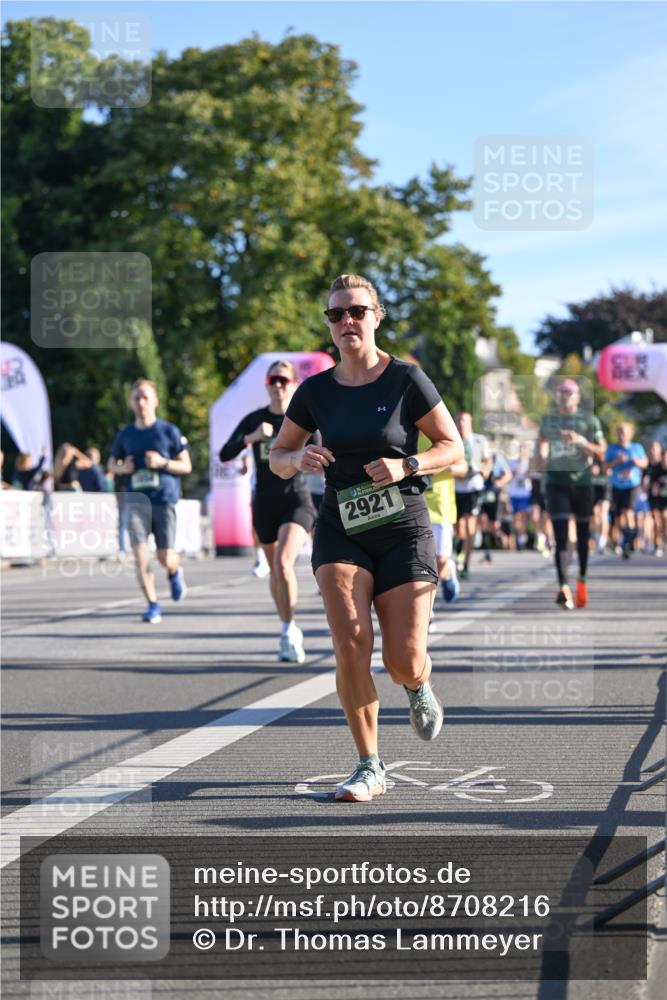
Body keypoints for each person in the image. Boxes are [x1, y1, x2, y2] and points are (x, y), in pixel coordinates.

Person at [269, 274, 463, 802]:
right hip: (341, 528)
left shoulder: (406, 379)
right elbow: (278, 456)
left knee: (402, 658)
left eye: (356, 311)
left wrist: (408, 465)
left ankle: (418, 684)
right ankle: (369, 764)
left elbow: (453, 448)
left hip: (402, 528)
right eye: (336, 315)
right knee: (351, 642)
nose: (346, 322)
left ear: (377, 316)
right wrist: (296, 458)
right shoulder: (315, 391)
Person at [219, 361, 317, 663]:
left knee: (284, 564)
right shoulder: (256, 419)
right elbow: (225, 453)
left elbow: (325, 449)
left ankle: (289, 633)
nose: (278, 385)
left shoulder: (303, 417)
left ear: (294, 384)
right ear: (266, 384)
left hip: (296, 499)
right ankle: (287, 625)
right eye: (273, 379)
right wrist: (251, 438)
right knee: (275, 571)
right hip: (264, 502)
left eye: (284, 380)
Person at [108, 379, 191, 623]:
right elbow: (111, 464)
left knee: (165, 556)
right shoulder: (125, 435)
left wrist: (163, 463)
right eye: (136, 398)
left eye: (145, 397)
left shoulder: (168, 431)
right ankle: (153, 605)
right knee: (140, 555)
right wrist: (123, 468)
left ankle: (175, 571)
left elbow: (186, 465)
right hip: (136, 501)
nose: (141, 402)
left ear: (155, 400)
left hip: (164, 499)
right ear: (131, 403)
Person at [538, 378, 606, 610]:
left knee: (584, 535)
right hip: (556, 482)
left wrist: (580, 441)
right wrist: (541, 456)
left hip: (582, 483)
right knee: (560, 535)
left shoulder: (589, 420)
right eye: (562, 393)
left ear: (577, 397)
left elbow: (601, 452)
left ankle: (582, 579)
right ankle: (563, 587)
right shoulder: (548, 420)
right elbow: (542, 442)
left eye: (569, 393)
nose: (565, 397)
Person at [453, 412, 491, 578]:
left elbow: (488, 460)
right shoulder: (452, 440)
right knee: (458, 528)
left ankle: (466, 564)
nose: (461, 424)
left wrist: (486, 470)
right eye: (458, 420)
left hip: (474, 487)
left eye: (464, 420)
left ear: (470, 422)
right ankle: (459, 553)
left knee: (470, 527)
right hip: (456, 487)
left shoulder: (479, 440)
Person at [604, 422, 648, 558]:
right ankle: (628, 536)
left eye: (625, 432)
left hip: (632, 485)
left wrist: (637, 462)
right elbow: (605, 467)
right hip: (617, 486)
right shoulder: (612, 449)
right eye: (620, 432)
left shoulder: (637, 448)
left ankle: (628, 542)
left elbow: (645, 463)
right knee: (619, 517)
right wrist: (617, 461)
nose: (622, 434)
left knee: (628, 512)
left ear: (630, 434)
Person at [478, 448, 511, 561]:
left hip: (495, 496)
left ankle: (500, 535)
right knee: (482, 521)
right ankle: (487, 553)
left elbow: (508, 475)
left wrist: (499, 483)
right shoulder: (478, 458)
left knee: (494, 525)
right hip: (482, 494)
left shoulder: (497, 458)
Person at [507, 443, 533, 550]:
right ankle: (520, 537)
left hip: (525, 494)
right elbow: (507, 476)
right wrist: (513, 473)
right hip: (514, 494)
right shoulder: (512, 463)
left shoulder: (529, 463)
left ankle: (522, 537)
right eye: (521, 451)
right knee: (516, 518)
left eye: (524, 451)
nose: (522, 453)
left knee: (522, 516)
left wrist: (528, 473)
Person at [645, 442, 667, 558]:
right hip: (656, 498)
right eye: (664, 457)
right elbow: (650, 484)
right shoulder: (656, 468)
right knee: (656, 521)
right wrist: (655, 487)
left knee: (665, 518)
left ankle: (664, 540)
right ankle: (657, 545)